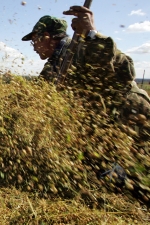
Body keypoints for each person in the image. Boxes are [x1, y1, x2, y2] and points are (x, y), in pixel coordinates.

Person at [22, 6, 150, 202]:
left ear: (46, 36)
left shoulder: (81, 47)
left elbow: (126, 71)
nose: (34, 46)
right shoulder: (54, 64)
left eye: (34, 41)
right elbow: (36, 96)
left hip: (130, 117)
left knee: (141, 171)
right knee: (106, 172)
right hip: (101, 123)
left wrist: (91, 34)